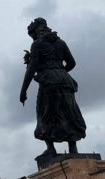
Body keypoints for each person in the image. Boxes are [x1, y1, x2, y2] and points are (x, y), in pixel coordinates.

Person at [19, 17, 86, 157]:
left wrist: (23, 90)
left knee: (45, 112)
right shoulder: (61, 42)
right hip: (65, 80)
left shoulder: (37, 44)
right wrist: (60, 72)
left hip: (49, 82)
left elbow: (32, 68)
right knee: (69, 111)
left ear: (35, 31)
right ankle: (73, 148)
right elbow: (72, 63)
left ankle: (51, 148)